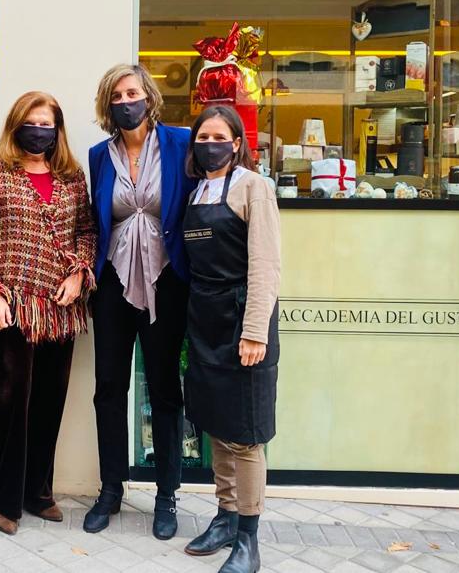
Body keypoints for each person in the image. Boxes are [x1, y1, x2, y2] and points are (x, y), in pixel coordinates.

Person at [0, 91, 97, 536]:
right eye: (31, 122)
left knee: (48, 402)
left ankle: (38, 492)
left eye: (47, 124)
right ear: (16, 125)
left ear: (57, 130)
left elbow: (87, 231)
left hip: (61, 308)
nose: (39, 130)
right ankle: (3, 498)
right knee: (9, 404)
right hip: (11, 306)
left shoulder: (72, 176)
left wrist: (80, 274)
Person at [84, 64, 196, 540]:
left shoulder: (180, 142)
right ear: (107, 105)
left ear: (148, 97)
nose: (125, 101)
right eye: (116, 95)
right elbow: (96, 218)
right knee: (108, 385)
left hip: (166, 280)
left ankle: (167, 493)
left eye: (132, 92)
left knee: (165, 388)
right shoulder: (98, 155)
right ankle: (111, 488)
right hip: (112, 282)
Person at [180, 105, 281, 573]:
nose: (210, 145)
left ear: (237, 143)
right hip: (204, 320)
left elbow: (266, 266)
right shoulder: (197, 189)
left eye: (219, 137)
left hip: (242, 321)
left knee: (245, 435)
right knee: (216, 424)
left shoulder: (253, 188)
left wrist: (255, 332)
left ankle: (248, 538)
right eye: (202, 137)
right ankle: (223, 516)